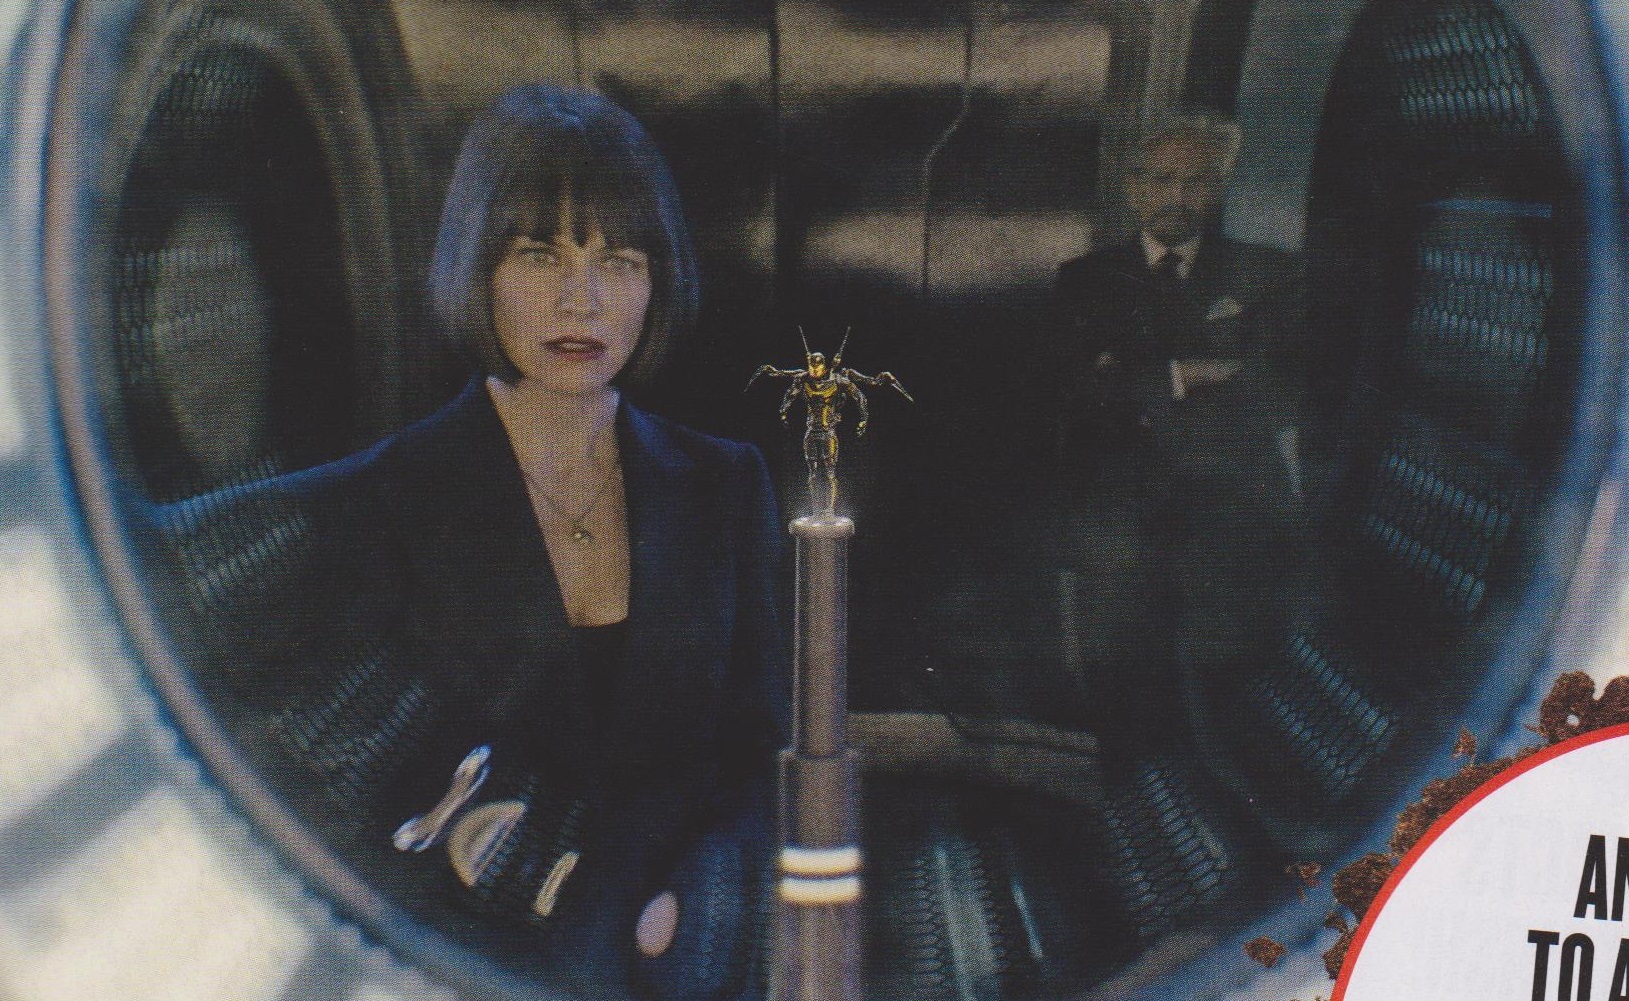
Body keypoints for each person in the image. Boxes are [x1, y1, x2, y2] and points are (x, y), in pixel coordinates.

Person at [229, 86, 788, 1000]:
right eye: (539, 255)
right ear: (477, 268)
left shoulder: (726, 486)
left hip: (679, 965)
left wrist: (691, 911)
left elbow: (761, 760)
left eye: (618, 260)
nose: (582, 298)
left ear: (657, 281)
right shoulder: (370, 503)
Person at [1051, 112, 1306, 747]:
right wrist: (1181, 375)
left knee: (1226, 704)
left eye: (1195, 181)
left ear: (1217, 189)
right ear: (1134, 186)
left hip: (1228, 525)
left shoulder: (1269, 276)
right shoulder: (1085, 281)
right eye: (1162, 179)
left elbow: (1281, 391)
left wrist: (1129, 379)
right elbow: (1071, 396)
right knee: (1122, 699)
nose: (1177, 195)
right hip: (1121, 525)